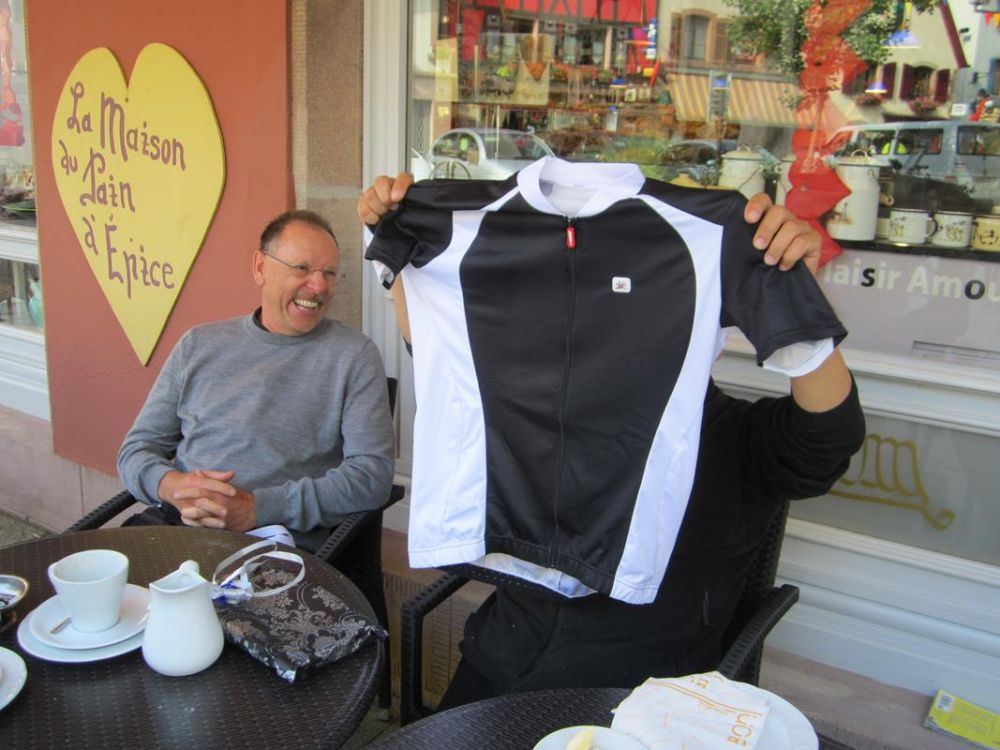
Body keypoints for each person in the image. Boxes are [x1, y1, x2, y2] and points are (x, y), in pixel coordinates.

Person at [358, 172, 864, 706]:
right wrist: (401, 244)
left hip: (642, 695)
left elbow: (827, 440)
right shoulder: (533, 407)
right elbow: (439, 350)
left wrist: (792, 297)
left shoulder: (737, 437)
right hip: (505, 657)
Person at [117, 209, 395, 551]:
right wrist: (171, 486)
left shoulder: (353, 356)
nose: (319, 286)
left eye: (329, 273)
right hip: (178, 527)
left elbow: (372, 476)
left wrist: (256, 508)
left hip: (275, 543)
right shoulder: (198, 344)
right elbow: (136, 450)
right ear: (260, 267)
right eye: (302, 268)